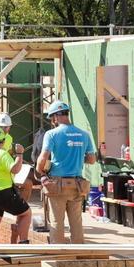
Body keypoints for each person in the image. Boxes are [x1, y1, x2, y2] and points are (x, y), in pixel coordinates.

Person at [36, 101, 96, 244]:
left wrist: (42, 173)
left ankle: (59, 254)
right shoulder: (84, 135)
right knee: (76, 223)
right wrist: (76, 157)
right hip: (77, 184)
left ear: (55, 116)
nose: (53, 121)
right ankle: (78, 254)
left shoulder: (51, 134)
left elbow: (42, 159)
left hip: (57, 185)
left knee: (57, 222)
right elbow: (92, 159)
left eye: (52, 118)